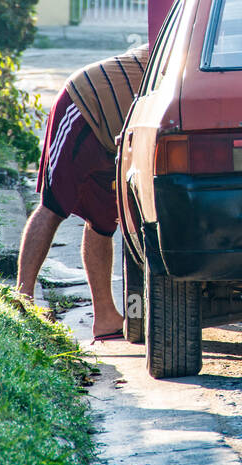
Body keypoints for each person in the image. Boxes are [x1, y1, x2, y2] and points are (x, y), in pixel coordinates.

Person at [16, 44, 150, 341]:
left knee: (104, 223)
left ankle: (104, 317)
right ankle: (22, 299)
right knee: (53, 207)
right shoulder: (179, 40)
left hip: (111, 138)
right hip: (82, 105)